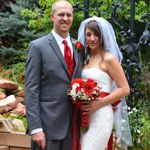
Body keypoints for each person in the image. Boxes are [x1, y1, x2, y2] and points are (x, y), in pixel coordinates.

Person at [25, 0, 83, 150]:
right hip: (47, 127)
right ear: (52, 17)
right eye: (61, 14)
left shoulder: (79, 47)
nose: (65, 18)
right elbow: (31, 88)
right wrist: (35, 128)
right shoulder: (38, 46)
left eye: (69, 15)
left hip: (73, 125)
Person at [78, 16, 131, 150]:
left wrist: (100, 103)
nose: (92, 38)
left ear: (102, 36)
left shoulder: (109, 59)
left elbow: (125, 89)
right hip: (83, 115)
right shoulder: (85, 59)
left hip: (101, 114)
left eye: (96, 34)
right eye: (88, 35)